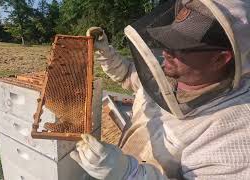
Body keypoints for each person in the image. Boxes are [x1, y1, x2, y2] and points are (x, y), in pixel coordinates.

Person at [70, 0, 250, 179]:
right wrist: (106, 53)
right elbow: (128, 75)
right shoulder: (171, 76)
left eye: (181, 46)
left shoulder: (237, 134)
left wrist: (130, 174)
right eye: (169, 39)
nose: (165, 52)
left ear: (220, 59)